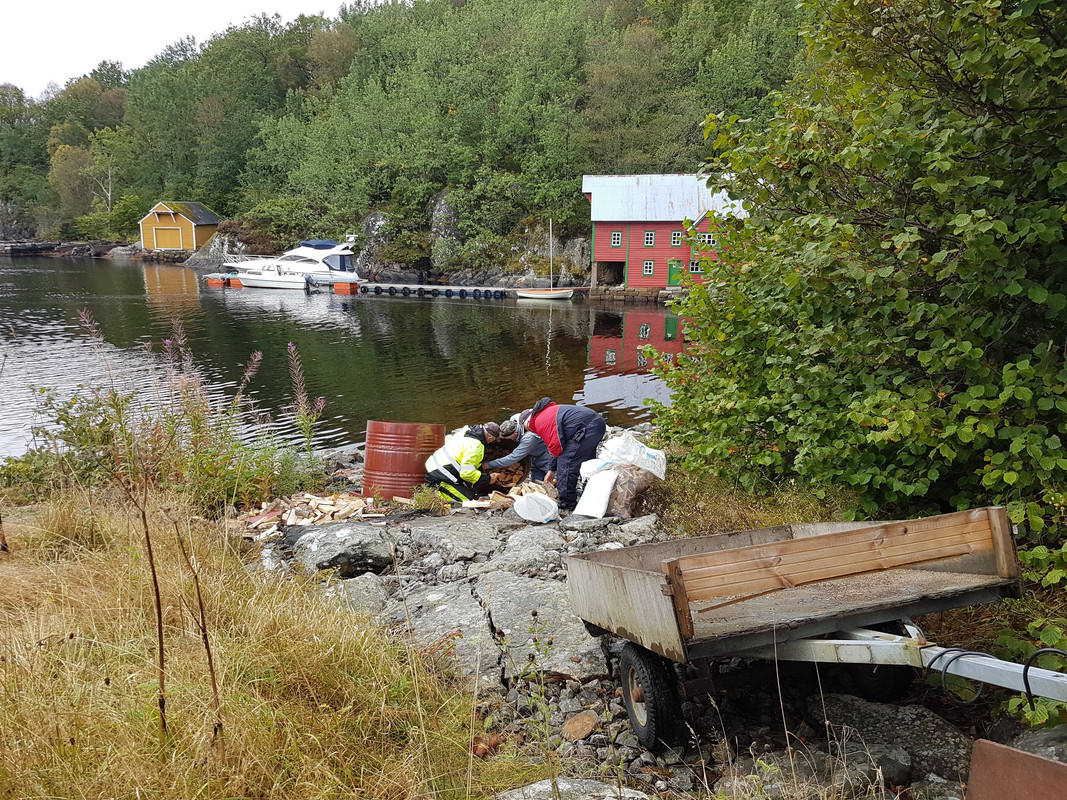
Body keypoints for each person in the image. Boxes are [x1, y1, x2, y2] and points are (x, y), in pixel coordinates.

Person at [523, 397, 606, 511]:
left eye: (526, 429)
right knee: (587, 463)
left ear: (527, 423)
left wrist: (554, 469)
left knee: (566, 464)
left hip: (587, 427)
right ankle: (590, 493)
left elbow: (556, 447)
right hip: (596, 423)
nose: (529, 431)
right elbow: (554, 444)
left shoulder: (538, 422)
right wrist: (551, 470)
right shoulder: (545, 413)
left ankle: (567, 503)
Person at [425, 422, 502, 502]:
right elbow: (466, 473)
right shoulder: (476, 446)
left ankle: (434, 490)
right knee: (470, 501)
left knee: (472, 495)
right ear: (490, 438)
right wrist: (488, 479)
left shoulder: (466, 430)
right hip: (442, 475)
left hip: (435, 465)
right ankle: (433, 494)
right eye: (492, 440)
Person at [486, 417, 556, 483]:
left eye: (510, 439)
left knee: (554, 480)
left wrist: (489, 465)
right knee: (536, 482)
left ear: (516, 434)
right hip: (533, 457)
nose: (510, 441)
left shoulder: (529, 439)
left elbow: (512, 458)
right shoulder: (515, 419)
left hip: (547, 456)